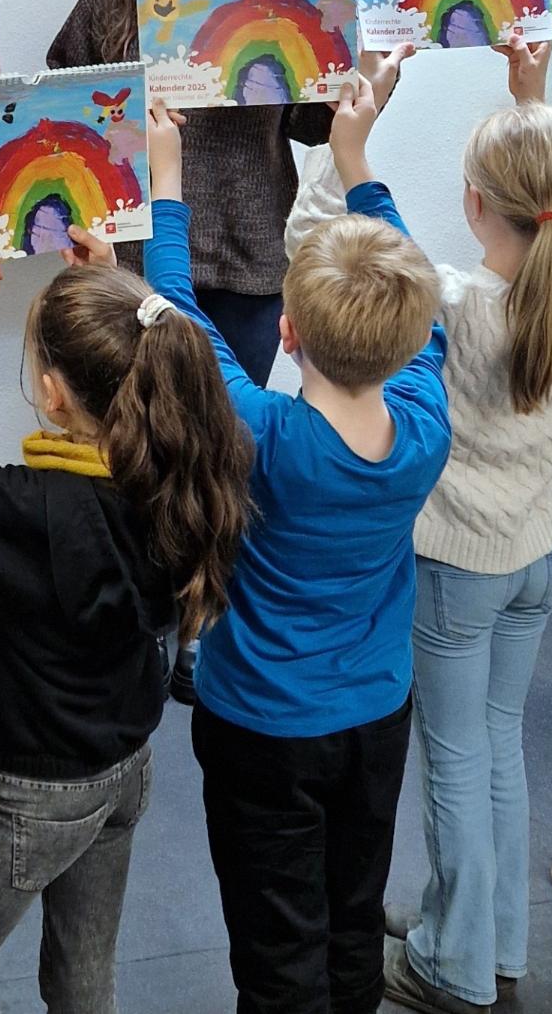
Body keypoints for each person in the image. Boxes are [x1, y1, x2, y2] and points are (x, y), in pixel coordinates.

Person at [288, 39, 552, 1013]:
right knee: (498, 745)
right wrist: (531, 94)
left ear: (477, 204)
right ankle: (487, 935)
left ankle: (451, 965)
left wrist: (351, 148)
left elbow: (344, 244)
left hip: (453, 566)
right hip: (536, 554)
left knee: (451, 760)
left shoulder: (455, 302)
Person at [0, 239, 251, 1011]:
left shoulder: (22, 515)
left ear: (51, 394)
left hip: (31, 795)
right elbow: (152, 352)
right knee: (81, 985)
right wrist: (106, 284)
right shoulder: (189, 468)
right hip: (123, 765)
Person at [148, 56, 452, 1014]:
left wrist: (165, 179)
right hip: (375, 717)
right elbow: (414, 289)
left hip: (264, 729)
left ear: (284, 332)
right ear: (410, 338)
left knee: (277, 950)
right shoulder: (423, 416)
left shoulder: (265, 438)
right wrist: (356, 158)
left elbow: (175, 318)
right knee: (351, 918)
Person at [45, 0, 329, 702]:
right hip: (134, 256)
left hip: (246, 261)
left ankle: (198, 630)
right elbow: (67, 97)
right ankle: (128, 617)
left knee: (216, 450)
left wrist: (374, 73)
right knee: (129, 445)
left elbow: (318, 121)